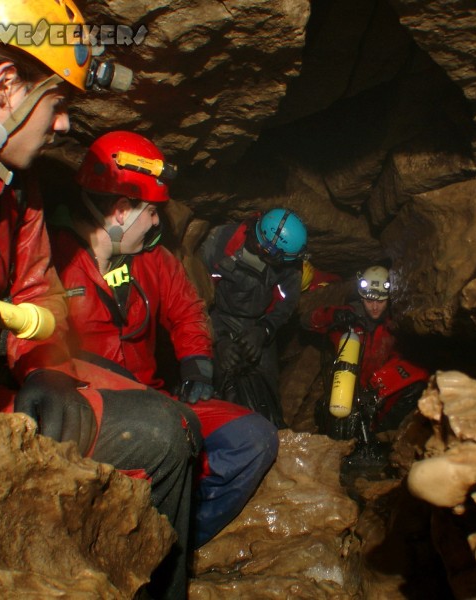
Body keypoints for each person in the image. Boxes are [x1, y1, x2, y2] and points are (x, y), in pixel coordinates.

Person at [0, 3, 197, 598]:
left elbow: (37, 298)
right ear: (6, 86)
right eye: (58, 105)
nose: (61, 127)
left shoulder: (12, 188)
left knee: (166, 428)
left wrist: (42, 369)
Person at [50, 130, 279, 548]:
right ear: (121, 210)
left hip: (153, 398)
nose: (158, 221)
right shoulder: (50, 258)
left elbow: (187, 309)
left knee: (256, 438)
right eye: (152, 211)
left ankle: (176, 543)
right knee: (165, 437)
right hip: (83, 410)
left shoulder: (152, 259)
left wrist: (196, 363)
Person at [200, 207, 307, 428]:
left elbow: (287, 303)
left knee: (267, 385)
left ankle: (272, 433)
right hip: (217, 315)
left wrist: (264, 331)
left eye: (275, 259)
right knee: (216, 376)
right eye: (263, 251)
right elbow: (197, 297)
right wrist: (217, 340)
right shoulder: (219, 243)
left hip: (258, 321)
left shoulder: (289, 265)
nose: (267, 259)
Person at [302, 265, 429, 441]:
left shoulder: (395, 325)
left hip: (378, 389)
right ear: (361, 298)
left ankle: (382, 438)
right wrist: (333, 316)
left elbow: (404, 360)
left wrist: (377, 388)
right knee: (339, 422)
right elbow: (306, 320)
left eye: (381, 301)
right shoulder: (348, 318)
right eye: (369, 301)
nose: (375, 307)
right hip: (348, 388)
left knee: (418, 383)